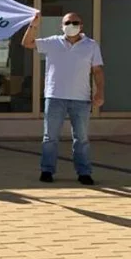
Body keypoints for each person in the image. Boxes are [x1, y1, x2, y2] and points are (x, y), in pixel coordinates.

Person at [22, 12, 105, 185]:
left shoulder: (91, 45)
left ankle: (84, 173)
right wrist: (33, 26)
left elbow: (97, 70)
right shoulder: (53, 42)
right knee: (50, 137)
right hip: (55, 96)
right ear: (62, 26)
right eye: (68, 22)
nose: (72, 25)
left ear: (81, 26)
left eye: (75, 22)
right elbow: (27, 43)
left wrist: (99, 92)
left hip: (81, 99)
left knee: (81, 138)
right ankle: (47, 170)